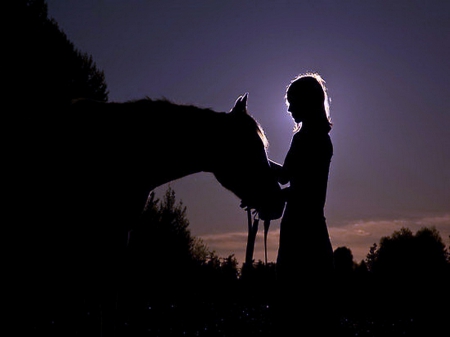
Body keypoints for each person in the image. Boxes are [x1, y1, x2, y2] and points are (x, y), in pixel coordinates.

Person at [270, 72, 336, 335]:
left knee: (293, 298)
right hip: (310, 225)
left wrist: (256, 164)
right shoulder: (318, 137)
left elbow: (299, 188)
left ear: (305, 102)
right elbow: (289, 178)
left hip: (300, 227)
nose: (288, 107)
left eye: (292, 102)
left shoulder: (307, 138)